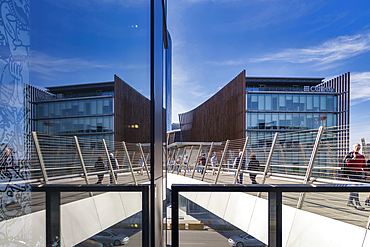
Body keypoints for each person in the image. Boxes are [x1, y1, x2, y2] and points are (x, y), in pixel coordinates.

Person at [344, 143, 368, 210]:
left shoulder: (361, 156)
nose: (357, 148)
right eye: (356, 147)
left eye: (358, 147)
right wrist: (353, 158)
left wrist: (367, 173)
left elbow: (364, 166)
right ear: (353, 147)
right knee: (355, 188)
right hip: (351, 174)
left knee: (354, 188)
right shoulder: (350, 155)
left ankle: (350, 202)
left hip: (359, 174)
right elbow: (348, 164)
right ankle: (358, 204)